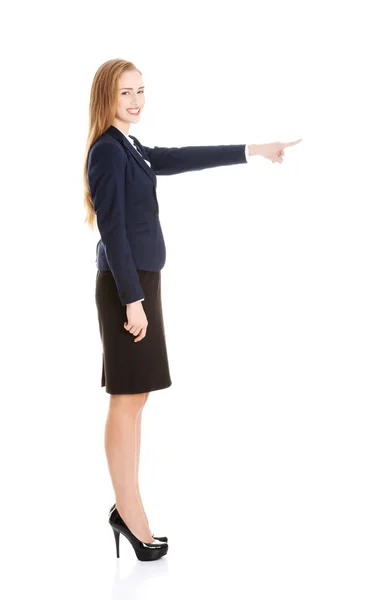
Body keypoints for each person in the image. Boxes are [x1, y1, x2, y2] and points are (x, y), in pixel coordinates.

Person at [83, 58, 302, 561]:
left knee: (137, 398)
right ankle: (128, 511)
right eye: (125, 94)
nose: (136, 101)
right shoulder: (107, 151)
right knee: (125, 397)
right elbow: (111, 232)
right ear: (106, 99)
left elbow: (179, 156)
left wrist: (252, 151)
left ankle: (128, 508)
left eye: (141, 90)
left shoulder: (130, 146)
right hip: (125, 286)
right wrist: (132, 300)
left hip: (140, 283)